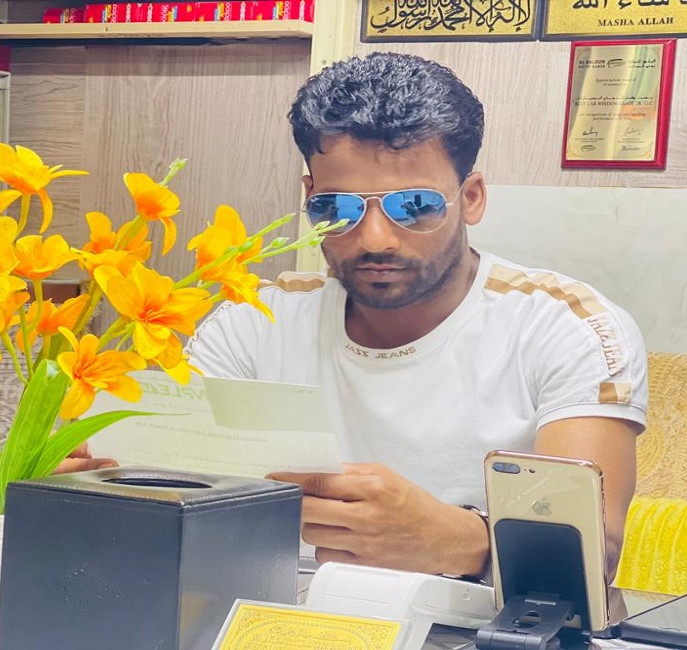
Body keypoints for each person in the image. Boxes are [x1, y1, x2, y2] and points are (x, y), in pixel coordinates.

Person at [195, 52, 649, 587]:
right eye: (338, 208)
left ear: (471, 198)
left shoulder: (564, 327)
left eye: (413, 206)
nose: (375, 239)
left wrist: (459, 541)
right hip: (269, 613)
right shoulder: (252, 322)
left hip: (474, 623)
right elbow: (170, 491)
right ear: (310, 199)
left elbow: (593, 554)